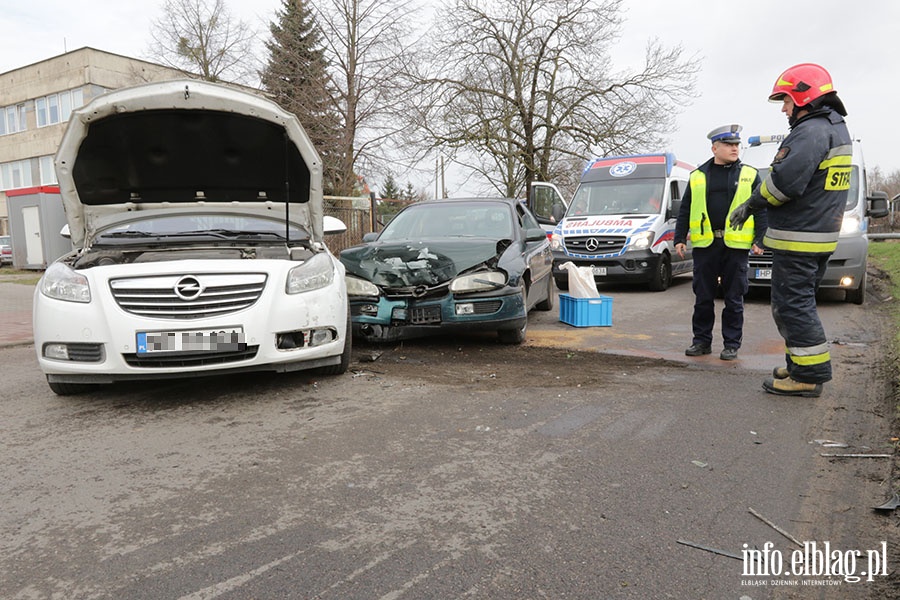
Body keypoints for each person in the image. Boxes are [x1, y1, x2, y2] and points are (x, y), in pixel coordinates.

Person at [729, 64, 851, 398]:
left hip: (799, 237)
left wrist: (751, 205)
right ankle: (798, 366)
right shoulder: (834, 129)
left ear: (803, 96)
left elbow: (785, 182)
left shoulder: (811, 131)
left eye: (785, 101)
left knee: (792, 306)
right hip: (817, 236)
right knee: (800, 303)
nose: (784, 109)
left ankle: (809, 375)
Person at [674, 124, 766, 361]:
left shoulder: (749, 174)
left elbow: (761, 208)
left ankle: (731, 344)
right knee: (703, 297)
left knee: (734, 298)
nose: (735, 148)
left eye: (737, 144)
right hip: (707, 245)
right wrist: (679, 238)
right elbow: (685, 209)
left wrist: (760, 238)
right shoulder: (697, 176)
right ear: (715, 147)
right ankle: (701, 342)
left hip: (735, 246)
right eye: (729, 145)